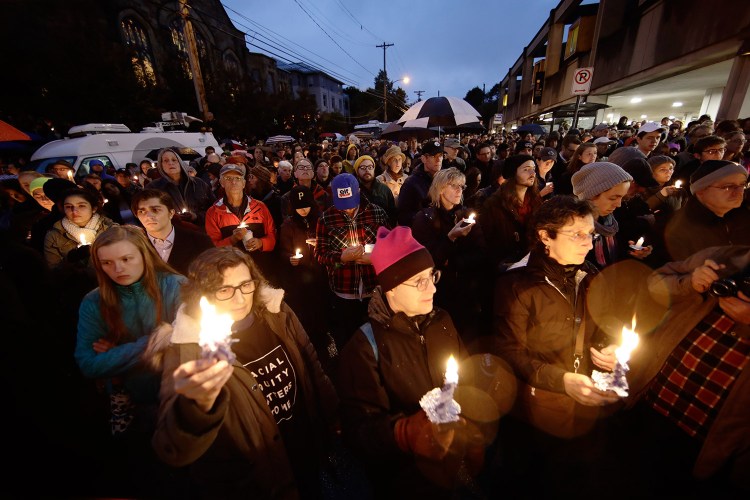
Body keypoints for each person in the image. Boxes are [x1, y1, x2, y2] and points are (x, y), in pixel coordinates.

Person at [150, 247, 338, 498]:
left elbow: (311, 364)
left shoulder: (276, 314)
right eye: (225, 290)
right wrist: (196, 409)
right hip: (254, 477)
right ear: (203, 295)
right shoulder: (188, 348)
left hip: (303, 448)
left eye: (245, 285)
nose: (240, 299)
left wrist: (333, 415)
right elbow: (172, 445)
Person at [337, 226, 487, 498]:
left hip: (452, 472)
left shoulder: (442, 321)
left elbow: (467, 379)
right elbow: (360, 433)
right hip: (405, 482)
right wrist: (405, 432)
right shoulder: (363, 348)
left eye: (431, 276)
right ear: (391, 287)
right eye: (419, 280)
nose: (431, 287)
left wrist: (472, 425)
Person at [492, 195, 620, 494]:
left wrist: (609, 347)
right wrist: (560, 379)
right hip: (535, 410)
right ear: (545, 236)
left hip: (584, 402)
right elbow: (508, 351)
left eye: (590, 234)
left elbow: (604, 325)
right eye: (576, 234)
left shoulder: (590, 276)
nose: (588, 244)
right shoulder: (517, 286)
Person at [615, 244, 750, 496]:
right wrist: (690, 281)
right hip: (652, 403)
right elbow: (654, 283)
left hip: (709, 442)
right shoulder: (724, 257)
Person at [412, 168, 489, 344]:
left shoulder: (466, 215)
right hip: (438, 293)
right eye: (453, 186)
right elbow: (427, 260)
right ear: (439, 188)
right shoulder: (424, 219)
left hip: (466, 291)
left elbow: (482, 253)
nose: (459, 190)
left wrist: (453, 262)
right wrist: (451, 238)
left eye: (461, 186)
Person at [315, 173, 390, 349]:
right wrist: (341, 257)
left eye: (351, 203)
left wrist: (375, 258)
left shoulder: (377, 213)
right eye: (343, 205)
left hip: (374, 290)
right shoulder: (326, 219)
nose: (348, 210)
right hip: (344, 292)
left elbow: (392, 247)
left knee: (378, 340)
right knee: (349, 341)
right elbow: (320, 254)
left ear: (358, 191)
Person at [278, 185, 332, 359]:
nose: (303, 210)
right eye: (299, 207)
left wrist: (320, 245)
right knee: (305, 311)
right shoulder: (288, 225)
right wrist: (289, 258)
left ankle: (324, 341)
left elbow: (331, 242)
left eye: (306, 206)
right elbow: (282, 250)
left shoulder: (321, 221)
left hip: (320, 274)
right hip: (300, 278)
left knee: (322, 308)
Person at [664, 160, 750, 261]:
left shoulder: (740, 217)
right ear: (700, 190)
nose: (739, 192)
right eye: (728, 187)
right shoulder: (682, 229)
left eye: (742, 185)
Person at [571, 162, 651, 269]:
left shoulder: (611, 220)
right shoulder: (572, 229)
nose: (618, 204)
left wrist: (633, 252)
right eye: (613, 198)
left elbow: (614, 254)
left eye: (622, 198)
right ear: (591, 195)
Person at [480, 155, 542, 268]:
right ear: (513, 173)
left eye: (533, 168)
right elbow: (487, 241)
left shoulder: (535, 201)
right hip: (505, 266)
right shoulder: (495, 204)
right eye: (526, 169)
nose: (532, 173)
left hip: (531, 263)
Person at [132, 189, 214, 276]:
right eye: (142, 211)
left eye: (155, 210)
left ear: (171, 213)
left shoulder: (200, 241)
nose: (148, 216)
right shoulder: (133, 245)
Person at [43, 188, 116, 268]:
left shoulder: (111, 229)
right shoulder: (54, 236)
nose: (74, 211)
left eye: (81, 206)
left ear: (94, 208)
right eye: (68, 206)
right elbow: (54, 271)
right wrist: (71, 260)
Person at [149, 147, 215, 228]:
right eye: (166, 161)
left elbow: (214, 208)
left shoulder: (198, 183)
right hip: (175, 234)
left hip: (203, 230)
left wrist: (196, 216)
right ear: (161, 165)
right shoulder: (153, 188)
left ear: (180, 162)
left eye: (174, 160)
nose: (170, 163)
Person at [397, 140, 444, 225]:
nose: (438, 160)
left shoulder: (445, 179)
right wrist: (427, 217)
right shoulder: (411, 184)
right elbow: (404, 216)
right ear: (423, 159)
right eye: (433, 156)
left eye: (440, 156)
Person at [354, 155, 396, 225]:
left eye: (370, 167)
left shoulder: (384, 189)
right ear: (357, 171)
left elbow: (392, 214)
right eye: (363, 168)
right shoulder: (353, 191)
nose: (367, 170)